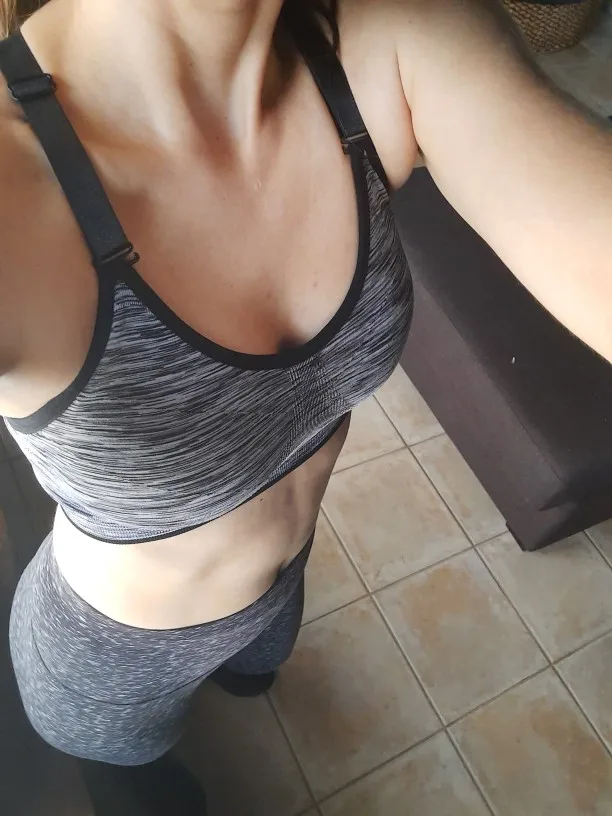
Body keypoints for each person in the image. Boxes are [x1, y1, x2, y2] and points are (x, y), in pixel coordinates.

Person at [0, 0, 610, 813]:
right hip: (113, 653)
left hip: (285, 582)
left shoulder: (393, 42)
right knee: (146, 784)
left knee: (260, 680)